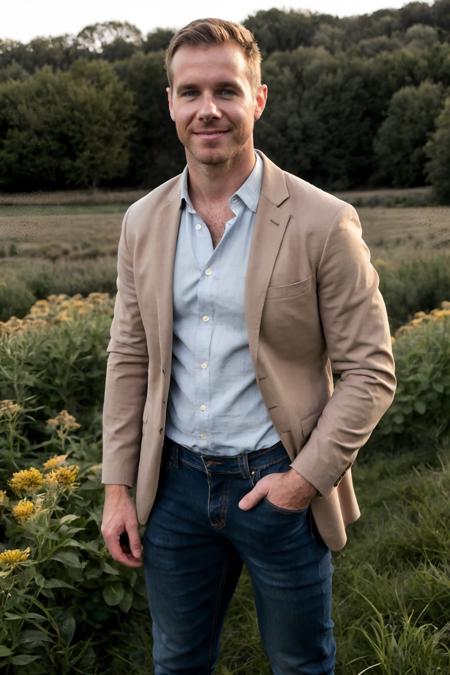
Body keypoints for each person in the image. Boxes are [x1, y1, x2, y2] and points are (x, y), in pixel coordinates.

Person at [101, 17, 396, 674]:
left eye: (227, 91)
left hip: (278, 480)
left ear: (256, 100)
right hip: (171, 488)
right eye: (191, 92)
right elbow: (129, 356)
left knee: (300, 662)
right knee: (177, 660)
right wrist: (118, 485)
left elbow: (370, 370)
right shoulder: (142, 221)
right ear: (171, 104)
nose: (209, 109)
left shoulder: (323, 221)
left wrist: (302, 480)